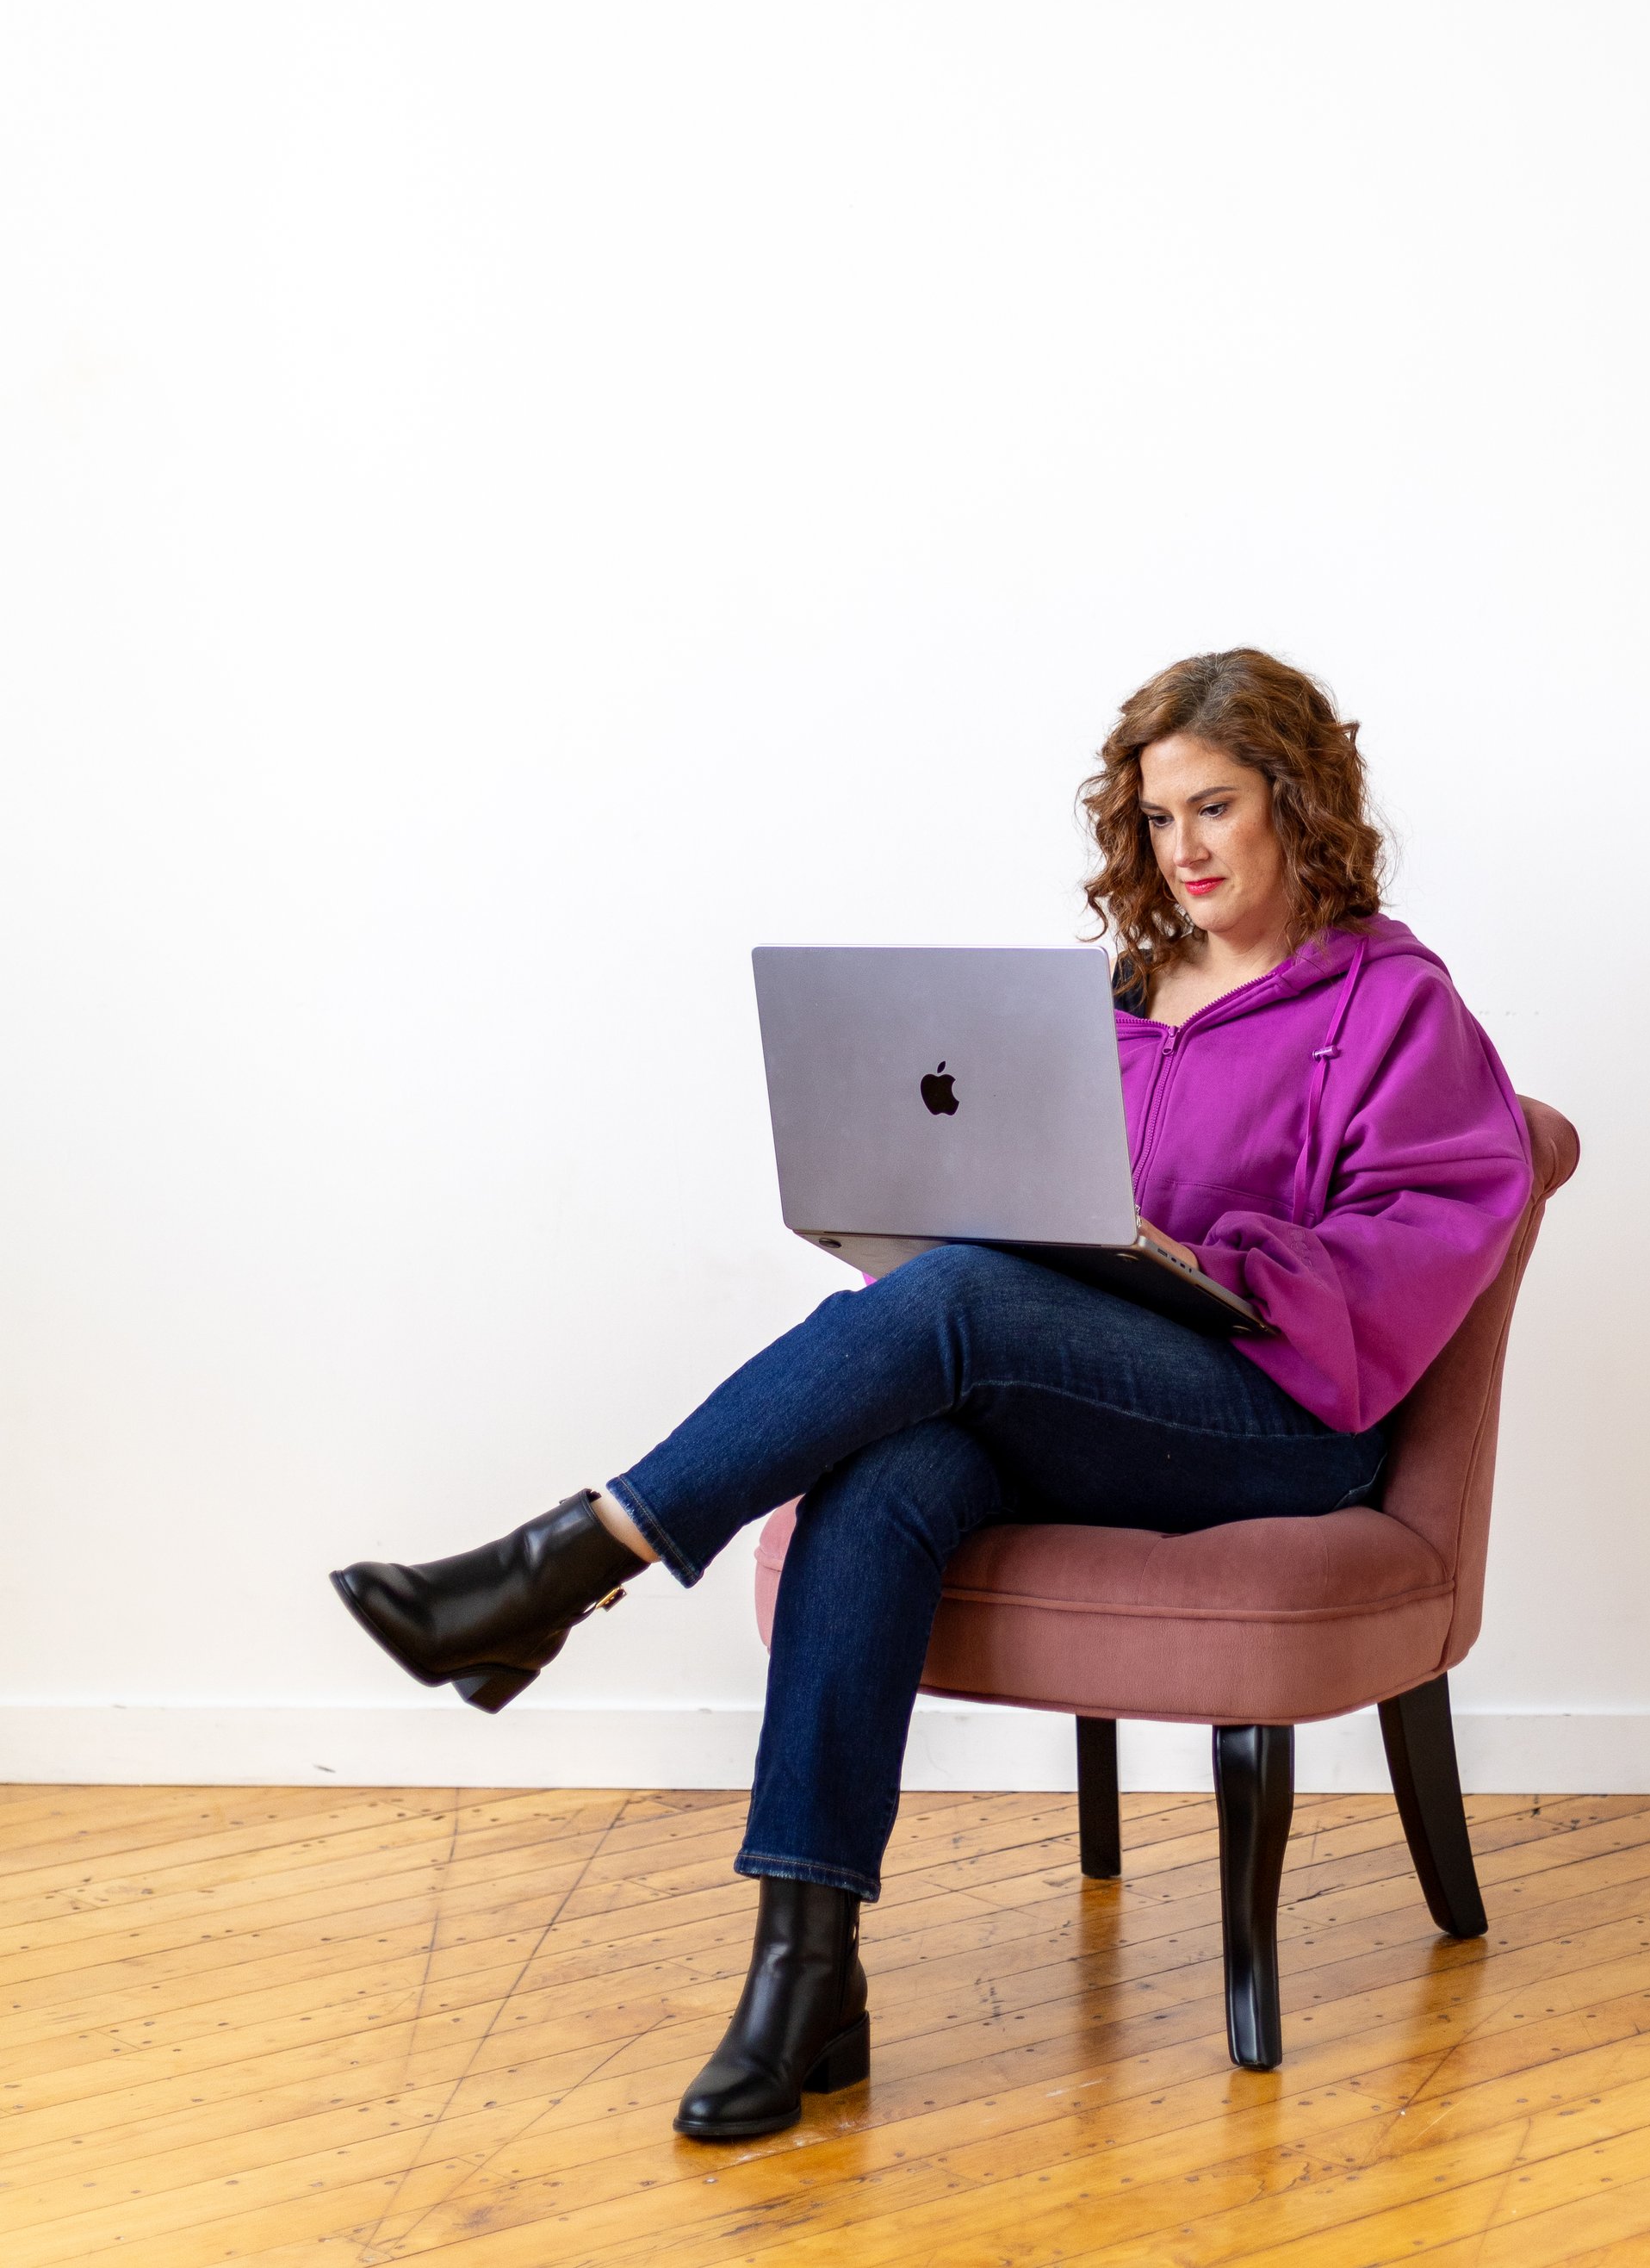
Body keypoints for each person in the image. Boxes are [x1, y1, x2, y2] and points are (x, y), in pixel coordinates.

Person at [332, 648, 1533, 2141]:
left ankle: (569, 1562)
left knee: (958, 1297)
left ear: (1296, 800)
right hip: (1085, 1396)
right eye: (1158, 817)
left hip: (1279, 1423)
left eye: (1216, 806)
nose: (1185, 848)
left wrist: (1205, 1266)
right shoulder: (1114, 998)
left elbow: (1419, 1240)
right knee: (885, 1472)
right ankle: (805, 1974)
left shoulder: (1395, 1001)